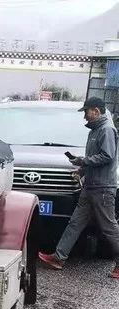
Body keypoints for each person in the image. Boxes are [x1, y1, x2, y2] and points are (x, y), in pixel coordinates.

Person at [38, 96, 119, 278]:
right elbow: (96, 158)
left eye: (86, 112)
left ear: (96, 111)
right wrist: (81, 170)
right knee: (75, 223)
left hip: (103, 188)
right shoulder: (95, 131)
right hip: (90, 187)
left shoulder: (106, 130)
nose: (85, 116)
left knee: (109, 227)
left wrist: (83, 161)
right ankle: (58, 258)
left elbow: (107, 156)